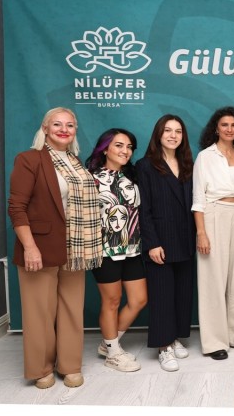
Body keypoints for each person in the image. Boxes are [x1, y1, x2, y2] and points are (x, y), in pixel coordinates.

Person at [8, 107, 103, 389]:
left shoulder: (75, 162)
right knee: (40, 312)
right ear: (45, 129)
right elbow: (17, 207)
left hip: (76, 247)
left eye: (70, 125)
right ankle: (41, 368)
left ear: (75, 131)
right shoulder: (29, 159)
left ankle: (70, 365)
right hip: (40, 246)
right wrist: (29, 247)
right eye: (57, 124)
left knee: (72, 310)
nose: (64, 129)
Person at [193, 106, 234, 359]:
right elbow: (198, 197)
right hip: (213, 214)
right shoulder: (205, 157)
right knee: (213, 280)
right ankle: (215, 342)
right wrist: (201, 232)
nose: (229, 129)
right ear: (216, 129)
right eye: (224, 125)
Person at [136, 115, 196, 372]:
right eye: (168, 130)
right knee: (162, 294)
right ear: (158, 134)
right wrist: (152, 243)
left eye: (178, 131)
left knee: (182, 293)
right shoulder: (145, 165)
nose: (173, 135)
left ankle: (175, 337)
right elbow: (143, 208)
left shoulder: (188, 164)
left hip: (186, 237)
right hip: (160, 240)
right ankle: (163, 346)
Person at [85, 128, 147, 373]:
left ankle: (108, 343)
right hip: (104, 250)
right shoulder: (90, 179)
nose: (125, 151)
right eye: (119, 145)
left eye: (129, 146)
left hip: (132, 248)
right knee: (112, 301)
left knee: (139, 299)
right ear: (105, 149)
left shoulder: (133, 177)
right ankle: (113, 354)